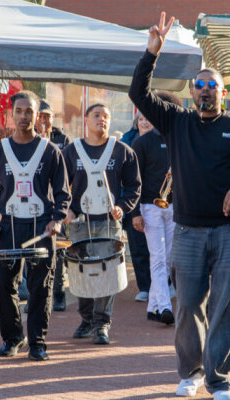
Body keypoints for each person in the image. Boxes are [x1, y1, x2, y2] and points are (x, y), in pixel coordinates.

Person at [130, 13, 230, 399]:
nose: (206, 90)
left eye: (213, 85)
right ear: (192, 93)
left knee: (224, 309)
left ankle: (220, 380)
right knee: (187, 308)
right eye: (200, 85)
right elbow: (138, 95)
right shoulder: (176, 122)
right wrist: (151, 54)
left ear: (223, 93)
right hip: (188, 231)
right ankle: (191, 373)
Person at [0, 91, 69, 361]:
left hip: (41, 227)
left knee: (41, 286)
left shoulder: (51, 151)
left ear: (37, 115)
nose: (23, 116)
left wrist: (57, 219)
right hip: (6, 227)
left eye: (28, 111)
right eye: (18, 111)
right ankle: (12, 338)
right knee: (5, 286)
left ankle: (38, 342)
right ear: (11, 115)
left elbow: (64, 193)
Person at [63, 103, 141, 345]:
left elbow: (134, 187)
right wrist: (65, 209)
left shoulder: (123, 152)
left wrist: (123, 207)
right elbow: (59, 185)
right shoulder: (71, 151)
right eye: (97, 115)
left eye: (106, 116)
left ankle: (101, 325)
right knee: (82, 271)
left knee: (106, 274)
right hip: (79, 223)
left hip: (109, 223)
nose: (102, 120)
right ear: (86, 119)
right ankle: (86, 319)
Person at [131, 111, 176, 325]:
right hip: (150, 206)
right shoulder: (142, 142)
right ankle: (165, 308)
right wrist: (135, 212)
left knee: (167, 259)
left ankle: (154, 307)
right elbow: (133, 180)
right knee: (158, 258)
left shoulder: (179, 139)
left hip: (175, 206)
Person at [36, 99, 72, 311]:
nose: (44, 120)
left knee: (58, 250)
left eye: (47, 116)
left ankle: (58, 293)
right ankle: (37, 295)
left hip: (57, 202)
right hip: (36, 203)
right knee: (36, 251)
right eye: (40, 116)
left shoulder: (62, 139)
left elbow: (65, 171)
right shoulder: (28, 139)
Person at [120, 114, 153, 304]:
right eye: (141, 119)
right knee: (138, 245)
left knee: (157, 248)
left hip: (154, 200)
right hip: (131, 201)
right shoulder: (127, 142)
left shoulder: (161, 141)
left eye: (147, 119)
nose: (144, 122)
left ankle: (163, 283)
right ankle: (145, 287)